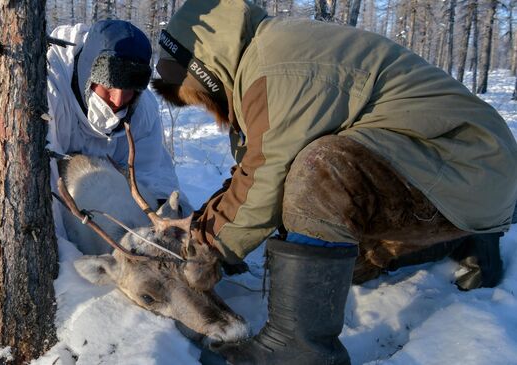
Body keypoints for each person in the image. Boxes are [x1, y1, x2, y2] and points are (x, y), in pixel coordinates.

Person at [151, 1, 517, 364]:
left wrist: (209, 246)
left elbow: (267, 176)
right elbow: (255, 166)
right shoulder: (259, 64)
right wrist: (201, 224)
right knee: (326, 273)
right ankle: (465, 235)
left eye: (199, 98)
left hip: (466, 161)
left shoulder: (277, 67)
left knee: (320, 171)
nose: (206, 110)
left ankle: (297, 351)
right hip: (459, 173)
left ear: (207, 72)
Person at [0, 19, 190, 259]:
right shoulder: (40, 95)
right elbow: (38, 199)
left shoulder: (141, 108)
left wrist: (180, 230)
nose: (120, 98)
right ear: (86, 73)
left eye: (132, 86)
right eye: (108, 85)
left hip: (20, 151)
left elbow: (153, 177)